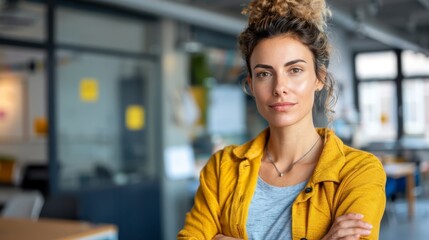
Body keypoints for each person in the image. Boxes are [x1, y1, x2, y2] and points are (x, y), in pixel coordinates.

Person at [178, 0, 386, 239]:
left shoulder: (358, 171)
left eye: (295, 70)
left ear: (319, 78)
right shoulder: (222, 168)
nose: (279, 88)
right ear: (251, 85)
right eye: (265, 74)